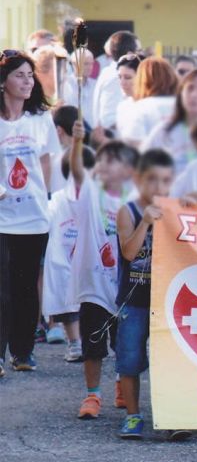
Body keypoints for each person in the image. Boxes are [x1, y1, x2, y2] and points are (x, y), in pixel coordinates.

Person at [69, 121, 139, 418]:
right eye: (102, 160)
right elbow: (75, 168)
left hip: (124, 286)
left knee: (124, 344)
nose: (106, 166)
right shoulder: (89, 191)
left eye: (115, 161)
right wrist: (77, 143)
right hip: (94, 286)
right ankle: (92, 395)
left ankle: (121, 388)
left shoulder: (134, 198)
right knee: (93, 344)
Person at [0, 50, 61, 376]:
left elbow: (47, 161)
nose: (26, 81)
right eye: (19, 75)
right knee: (2, 287)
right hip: (1, 217)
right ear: (3, 80)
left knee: (25, 286)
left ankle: (23, 351)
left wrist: (43, 195)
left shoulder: (39, 119)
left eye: (29, 75)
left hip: (33, 217)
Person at [115, 148, 179, 440]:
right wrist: (146, 222)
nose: (158, 187)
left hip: (165, 299)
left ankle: (174, 416)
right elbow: (129, 252)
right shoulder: (127, 211)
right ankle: (132, 415)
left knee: (170, 359)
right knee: (129, 359)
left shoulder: (176, 209)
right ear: (139, 179)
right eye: (152, 180)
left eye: (165, 181)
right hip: (134, 298)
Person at [43, 147, 95, 364]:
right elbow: (45, 218)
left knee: (89, 303)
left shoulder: (97, 197)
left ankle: (86, 342)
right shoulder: (57, 200)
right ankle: (75, 342)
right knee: (67, 305)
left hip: (88, 259)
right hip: (63, 257)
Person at [142, 69, 197, 174]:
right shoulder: (164, 131)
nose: (194, 95)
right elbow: (142, 167)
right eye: (190, 88)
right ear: (181, 93)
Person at [118, 56, 178, 148]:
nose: (122, 82)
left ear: (142, 79)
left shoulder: (139, 108)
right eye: (119, 77)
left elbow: (130, 144)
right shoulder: (183, 105)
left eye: (128, 77)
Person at [91, 31, 140, 131]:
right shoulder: (115, 77)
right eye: (138, 51)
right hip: (114, 140)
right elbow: (108, 119)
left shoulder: (110, 72)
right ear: (130, 54)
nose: (141, 54)